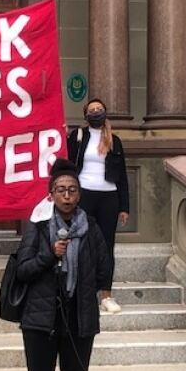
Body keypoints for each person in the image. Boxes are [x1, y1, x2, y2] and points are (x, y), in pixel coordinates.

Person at [16, 159, 111, 371]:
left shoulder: (91, 227)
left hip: (78, 318)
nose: (67, 196)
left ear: (79, 194)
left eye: (72, 190)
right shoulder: (39, 226)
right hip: (41, 319)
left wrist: (94, 293)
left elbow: (103, 267)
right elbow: (23, 269)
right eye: (61, 190)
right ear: (51, 194)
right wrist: (49, 255)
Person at [67, 98, 129, 314]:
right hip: (83, 195)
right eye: (92, 110)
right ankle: (82, 292)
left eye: (99, 109)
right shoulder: (77, 136)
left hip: (109, 198)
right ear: (85, 115)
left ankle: (106, 295)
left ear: (105, 113)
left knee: (106, 246)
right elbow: (66, 164)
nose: (96, 112)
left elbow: (122, 175)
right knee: (82, 243)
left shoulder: (115, 140)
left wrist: (124, 207)